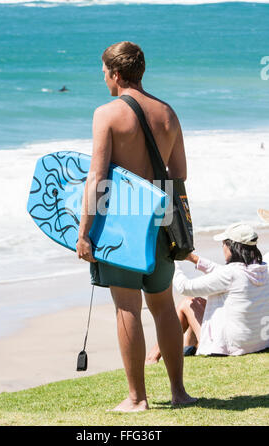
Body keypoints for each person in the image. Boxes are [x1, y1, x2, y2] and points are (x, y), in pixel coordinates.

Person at [76, 41, 197, 411]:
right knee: (162, 306)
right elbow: (180, 175)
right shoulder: (167, 113)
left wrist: (84, 233)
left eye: (103, 73)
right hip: (161, 223)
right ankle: (179, 393)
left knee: (126, 307)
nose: (104, 80)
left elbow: (97, 177)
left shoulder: (107, 114)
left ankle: (137, 399)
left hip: (122, 228)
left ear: (115, 73)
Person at [146, 222, 269, 363]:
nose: (222, 247)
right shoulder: (263, 269)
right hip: (259, 343)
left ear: (232, 246)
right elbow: (224, 273)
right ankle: (189, 349)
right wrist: (192, 258)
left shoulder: (231, 274)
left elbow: (184, 287)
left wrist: (170, 261)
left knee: (187, 303)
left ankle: (152, 357)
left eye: (223, 243)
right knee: (197, 302)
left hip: (232, 347)